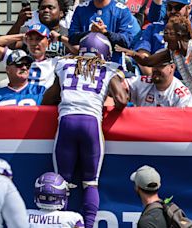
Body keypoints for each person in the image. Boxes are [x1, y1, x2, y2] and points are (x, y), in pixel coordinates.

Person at [42, 32, 128, 228]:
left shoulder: (65, 64)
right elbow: (122, 100)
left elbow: (49, 98)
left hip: (66, 122)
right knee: (90, 182)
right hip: (91, 124)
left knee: (61, 182)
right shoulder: (108, 68)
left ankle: (59, 223)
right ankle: (88, 225)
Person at [133, 0, 192, 75]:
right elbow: (143, 54)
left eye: (178, 7)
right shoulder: (153, 28)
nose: (173, 11)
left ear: (188, 9)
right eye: (169, 7)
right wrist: (156, 77)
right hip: (159, 80)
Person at [0, 23, 59, 90]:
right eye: (30, 39)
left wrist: (60, 38)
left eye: (38, 39)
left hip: (44, 100)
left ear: (48, 42)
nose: (34, 43)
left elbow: (70, 50)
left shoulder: (56, 62)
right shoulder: (17, 58)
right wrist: (21, 37)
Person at [68, 0, 134, 64]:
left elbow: (127, 41)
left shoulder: (122, 10)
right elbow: (72, 38)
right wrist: (91, 33)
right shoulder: (81, 9)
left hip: (113, 67)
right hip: (85, 65)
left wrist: (105, 33)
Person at [7, 0, 76, 57]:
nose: (46, 10)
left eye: (50, 7)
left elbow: (78, 50)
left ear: (61, 13)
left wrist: (61, 38)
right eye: (42, 8)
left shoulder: (68, 34)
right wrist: (18, 23)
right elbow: (9, 45)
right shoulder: (29, 31)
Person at [127, 59, 192, 107]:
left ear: (172, 67)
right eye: (154, 65)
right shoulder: (143, 82)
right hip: (143, 125)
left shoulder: (182, 95)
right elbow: (122, 85)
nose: (155, 69)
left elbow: (184, 123)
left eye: (160, 66)